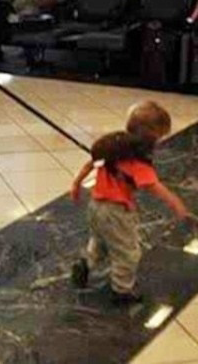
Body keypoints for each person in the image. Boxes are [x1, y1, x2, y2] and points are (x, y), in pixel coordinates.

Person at [70, 101, 197, 305]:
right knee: (128, 252)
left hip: (95, 206)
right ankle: (121, 291)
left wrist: (76, 184)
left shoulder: (111, 148)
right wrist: (178, 206)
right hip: (115, 212)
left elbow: (90, 164)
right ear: (151, 136)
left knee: (100, 241)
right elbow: (157, 188)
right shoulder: (138, 162)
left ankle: (86, 263)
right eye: (160, 137)